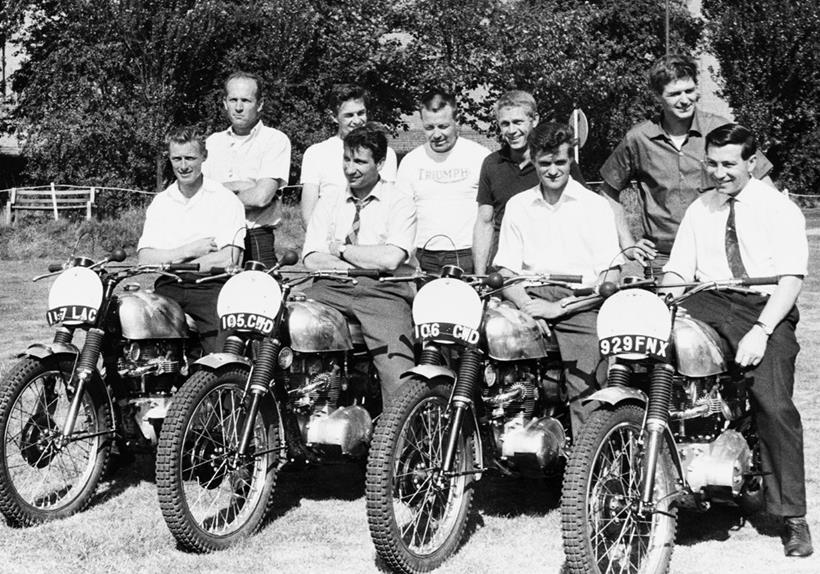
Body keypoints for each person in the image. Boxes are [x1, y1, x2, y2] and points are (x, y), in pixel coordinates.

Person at [663, 123, 812, 558]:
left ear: (751, 161)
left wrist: (763, 331)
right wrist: (663, 302)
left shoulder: (778, 207)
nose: (719, 172)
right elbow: (678, 272)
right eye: (712, 162)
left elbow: (790, 279)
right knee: (658, 363)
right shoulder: (700, 209)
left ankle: (792, 516)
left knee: (773, 402)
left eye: (730, 164)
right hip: (708, 299)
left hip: (762, 306)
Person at [494, 122, 621, 436]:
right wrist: (527, 305)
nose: (552, 171)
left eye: (560, 162)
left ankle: (587, 465)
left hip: (579, 302)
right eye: (545, 163)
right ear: (534, 161)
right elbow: (507, 271)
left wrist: (560, 308)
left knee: (585, 389)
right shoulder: (518, 205)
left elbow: (610, 275)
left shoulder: (594, 206)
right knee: (483, 351)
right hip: (526, 298)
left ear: (570, 162)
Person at [599, 54, 773, 273]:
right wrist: (628, 244)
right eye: (674, 94)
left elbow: (765, 187)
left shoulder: (721, 130)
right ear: (657, 96)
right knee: (667, 308)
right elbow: (608, 192)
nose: (684, 100)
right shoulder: (638, 138)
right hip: (663, 258)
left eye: (689, 91)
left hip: (717, 253)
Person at [302, 123, 417, 407]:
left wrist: (341, 249)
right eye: (347, 159)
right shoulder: (330, 200)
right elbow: (311, 257)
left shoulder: (400, 201)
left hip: (384, 293)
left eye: (360, 161)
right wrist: (358, 263)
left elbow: (391, 259)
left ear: (380, 163)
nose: (350, 168)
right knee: (289, 338)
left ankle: (398, 443)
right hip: (331, 288)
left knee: (398, 377)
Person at [138, 126, 246, 354]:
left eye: (190, 158)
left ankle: (219, 386)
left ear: (203, 157)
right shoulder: (161, 202)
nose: (184, 166)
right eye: (177, 158)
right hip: (170, 285)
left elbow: (230, 258)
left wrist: (168, 257)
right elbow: (145, 258)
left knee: (222, 352)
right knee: (131, 328)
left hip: (210, 288)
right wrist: (191, 250)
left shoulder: (225, 200)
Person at [473, 90, 588, 274]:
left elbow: (585, 211)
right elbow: (484, 222)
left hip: (550, 263)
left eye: (518, 122)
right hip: (506, 265)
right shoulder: (492, 164)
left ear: (534, 120)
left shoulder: (557, 164)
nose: (511, 131)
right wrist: (480, 277)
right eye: (505, 124)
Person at [202, 71, 291, 267]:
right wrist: (242, 185)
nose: (239, 107)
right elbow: (201, 198)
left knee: (263, 295)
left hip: (256, 238)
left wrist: (219, 193)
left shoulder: (274, 140)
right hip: (216, 240)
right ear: (225, 103)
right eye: (233, 100)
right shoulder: (211, 143)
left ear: (259, 104)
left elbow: (261, 197)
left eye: (246, 100)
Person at [397, 88, 491, 274]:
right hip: (422, 255)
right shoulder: (410, 161)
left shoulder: (480, 157)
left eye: (443, 126)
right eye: (429, 128)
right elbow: (400, 215)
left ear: (457, 122)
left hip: (466, 254)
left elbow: (489, 216)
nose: (436, 134)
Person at [299, 84, 398, 225]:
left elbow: (388, 204)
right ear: (333, 117)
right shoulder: (316, 154)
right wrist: (322, 243)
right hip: (328, 238)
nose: (357, 121)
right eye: (349, 115)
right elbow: (308, 215)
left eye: (361, 113)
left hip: (373, 240)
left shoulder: (385, 153)